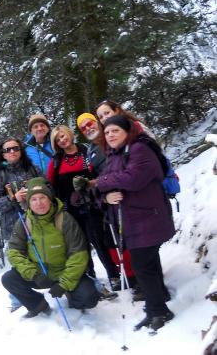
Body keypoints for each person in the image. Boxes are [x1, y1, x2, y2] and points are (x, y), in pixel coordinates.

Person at [97, 115, 175, 332]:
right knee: (148, 264)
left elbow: (133, 179)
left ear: (127, 131)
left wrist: (103, 182)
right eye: (107, 132)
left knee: (142, 265)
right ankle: (155, 307)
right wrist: (105, 197)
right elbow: (103, 189)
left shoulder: (140, 148)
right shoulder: (114, 155)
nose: (110, 135)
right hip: (134, 221)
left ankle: (159, 310)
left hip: (149, 217)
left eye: (115, 130)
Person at [1, 177, 100, 318]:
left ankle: (74, 300)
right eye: (33, 199)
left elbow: (78, 254)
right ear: (28, 203)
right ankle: (37, 305)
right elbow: (14, 252)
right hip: (38, 274)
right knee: (9, 279)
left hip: (63, 273)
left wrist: (64, 284)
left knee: (89, 297)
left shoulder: (65, 219)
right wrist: (32, 273)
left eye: (42, 197)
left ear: (50, 199)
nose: (39, 203)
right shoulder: (24, 222)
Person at [46, 125, 117, 300]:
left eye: (63, 136)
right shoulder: (56, 161)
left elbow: (98, 173)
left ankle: (113, 275)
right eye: (58, 139)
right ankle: (91, 278)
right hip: (71, 211)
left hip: (93, 204)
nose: (63, 140)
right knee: (81, 245)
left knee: (100, 240)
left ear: (69, 134)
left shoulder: (86, 151)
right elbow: (51, 186)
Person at [75, 113, 137, 292]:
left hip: (126, 196)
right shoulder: (90, 151)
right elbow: (96, 176)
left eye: (90, 124)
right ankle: (132, 278)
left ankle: (141, 278)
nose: (88, 128)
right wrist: (89, 185)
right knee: (113, 241)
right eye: (83, 128)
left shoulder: (113, 139)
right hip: (107, 200)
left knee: (129, 239)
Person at [0, 137, 41, 311]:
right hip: (13, 225)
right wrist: (13, 198)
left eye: (15, 148)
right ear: (2, 154)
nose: (12, 152)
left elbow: (47, 188)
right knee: (17, 261)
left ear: (21, 150)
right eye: (7, 150)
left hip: (39, 221)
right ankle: (19, 298)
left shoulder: (32, 168)